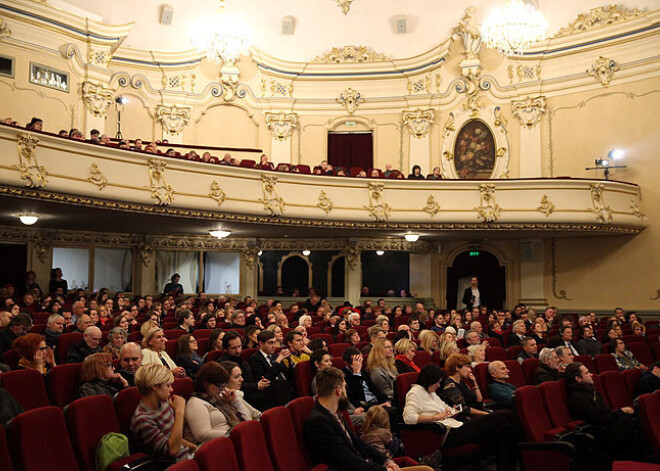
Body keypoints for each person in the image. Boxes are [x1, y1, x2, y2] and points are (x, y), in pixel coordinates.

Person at [304, 367, 431, 471]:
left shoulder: (332, 414)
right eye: (344, 387)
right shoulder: (319, 421)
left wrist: (385, 460)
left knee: (425, 469)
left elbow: (359, 443)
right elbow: (345, 459)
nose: (346, 392)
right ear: (338, 390)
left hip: (365, 465)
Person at [403, 364, 518, 471]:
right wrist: (435, 417)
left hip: (456, 425)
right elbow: (408, 417)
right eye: (437, 383)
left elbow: (449, 408)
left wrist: (452, 411)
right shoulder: (415, 393)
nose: (438, 386)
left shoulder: (431, 392)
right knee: (504, 414)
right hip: (447, 434)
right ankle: (530, 443)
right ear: (429, 381)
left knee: (505, 429)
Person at [564, 362, 643, 465]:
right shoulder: (578, 398)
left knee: (636, 416)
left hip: (608, 425)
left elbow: (606, 413)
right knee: (634, 421)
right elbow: (599, 420)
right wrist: (621, 411)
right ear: (578, 379)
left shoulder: (590, 390)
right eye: (587, 373)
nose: (591, 374)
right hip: (602, 433)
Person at [131, 364, 197, 462]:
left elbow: (173, 437)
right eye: (168, 385)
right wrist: (179, 412)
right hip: (170, 464)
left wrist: (195, 449)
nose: (171, 390)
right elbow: (172, 451)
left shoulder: (163, 402)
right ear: (155, 387)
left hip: (186, 457)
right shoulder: (142, 420)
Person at [184, 362, 253, 444]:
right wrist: (235, 432)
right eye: (219, 386)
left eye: (224, 386)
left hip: (234, 439)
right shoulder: (196, 403)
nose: (222, 389)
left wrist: (235, 401)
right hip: (220, 445)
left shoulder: (218, 399)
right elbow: (202, 435)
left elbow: (248, 420)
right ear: (206, 383)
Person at [247, 330, 294, 408]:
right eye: (270, 343)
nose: (274, 346)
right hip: (270, 394)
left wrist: (290, 363)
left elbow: (288, 375)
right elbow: (265, 380)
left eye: (274, 342)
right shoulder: (255, 358)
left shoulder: (274, 356)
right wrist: (278, 361)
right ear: (261, 344)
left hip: (284, 389)